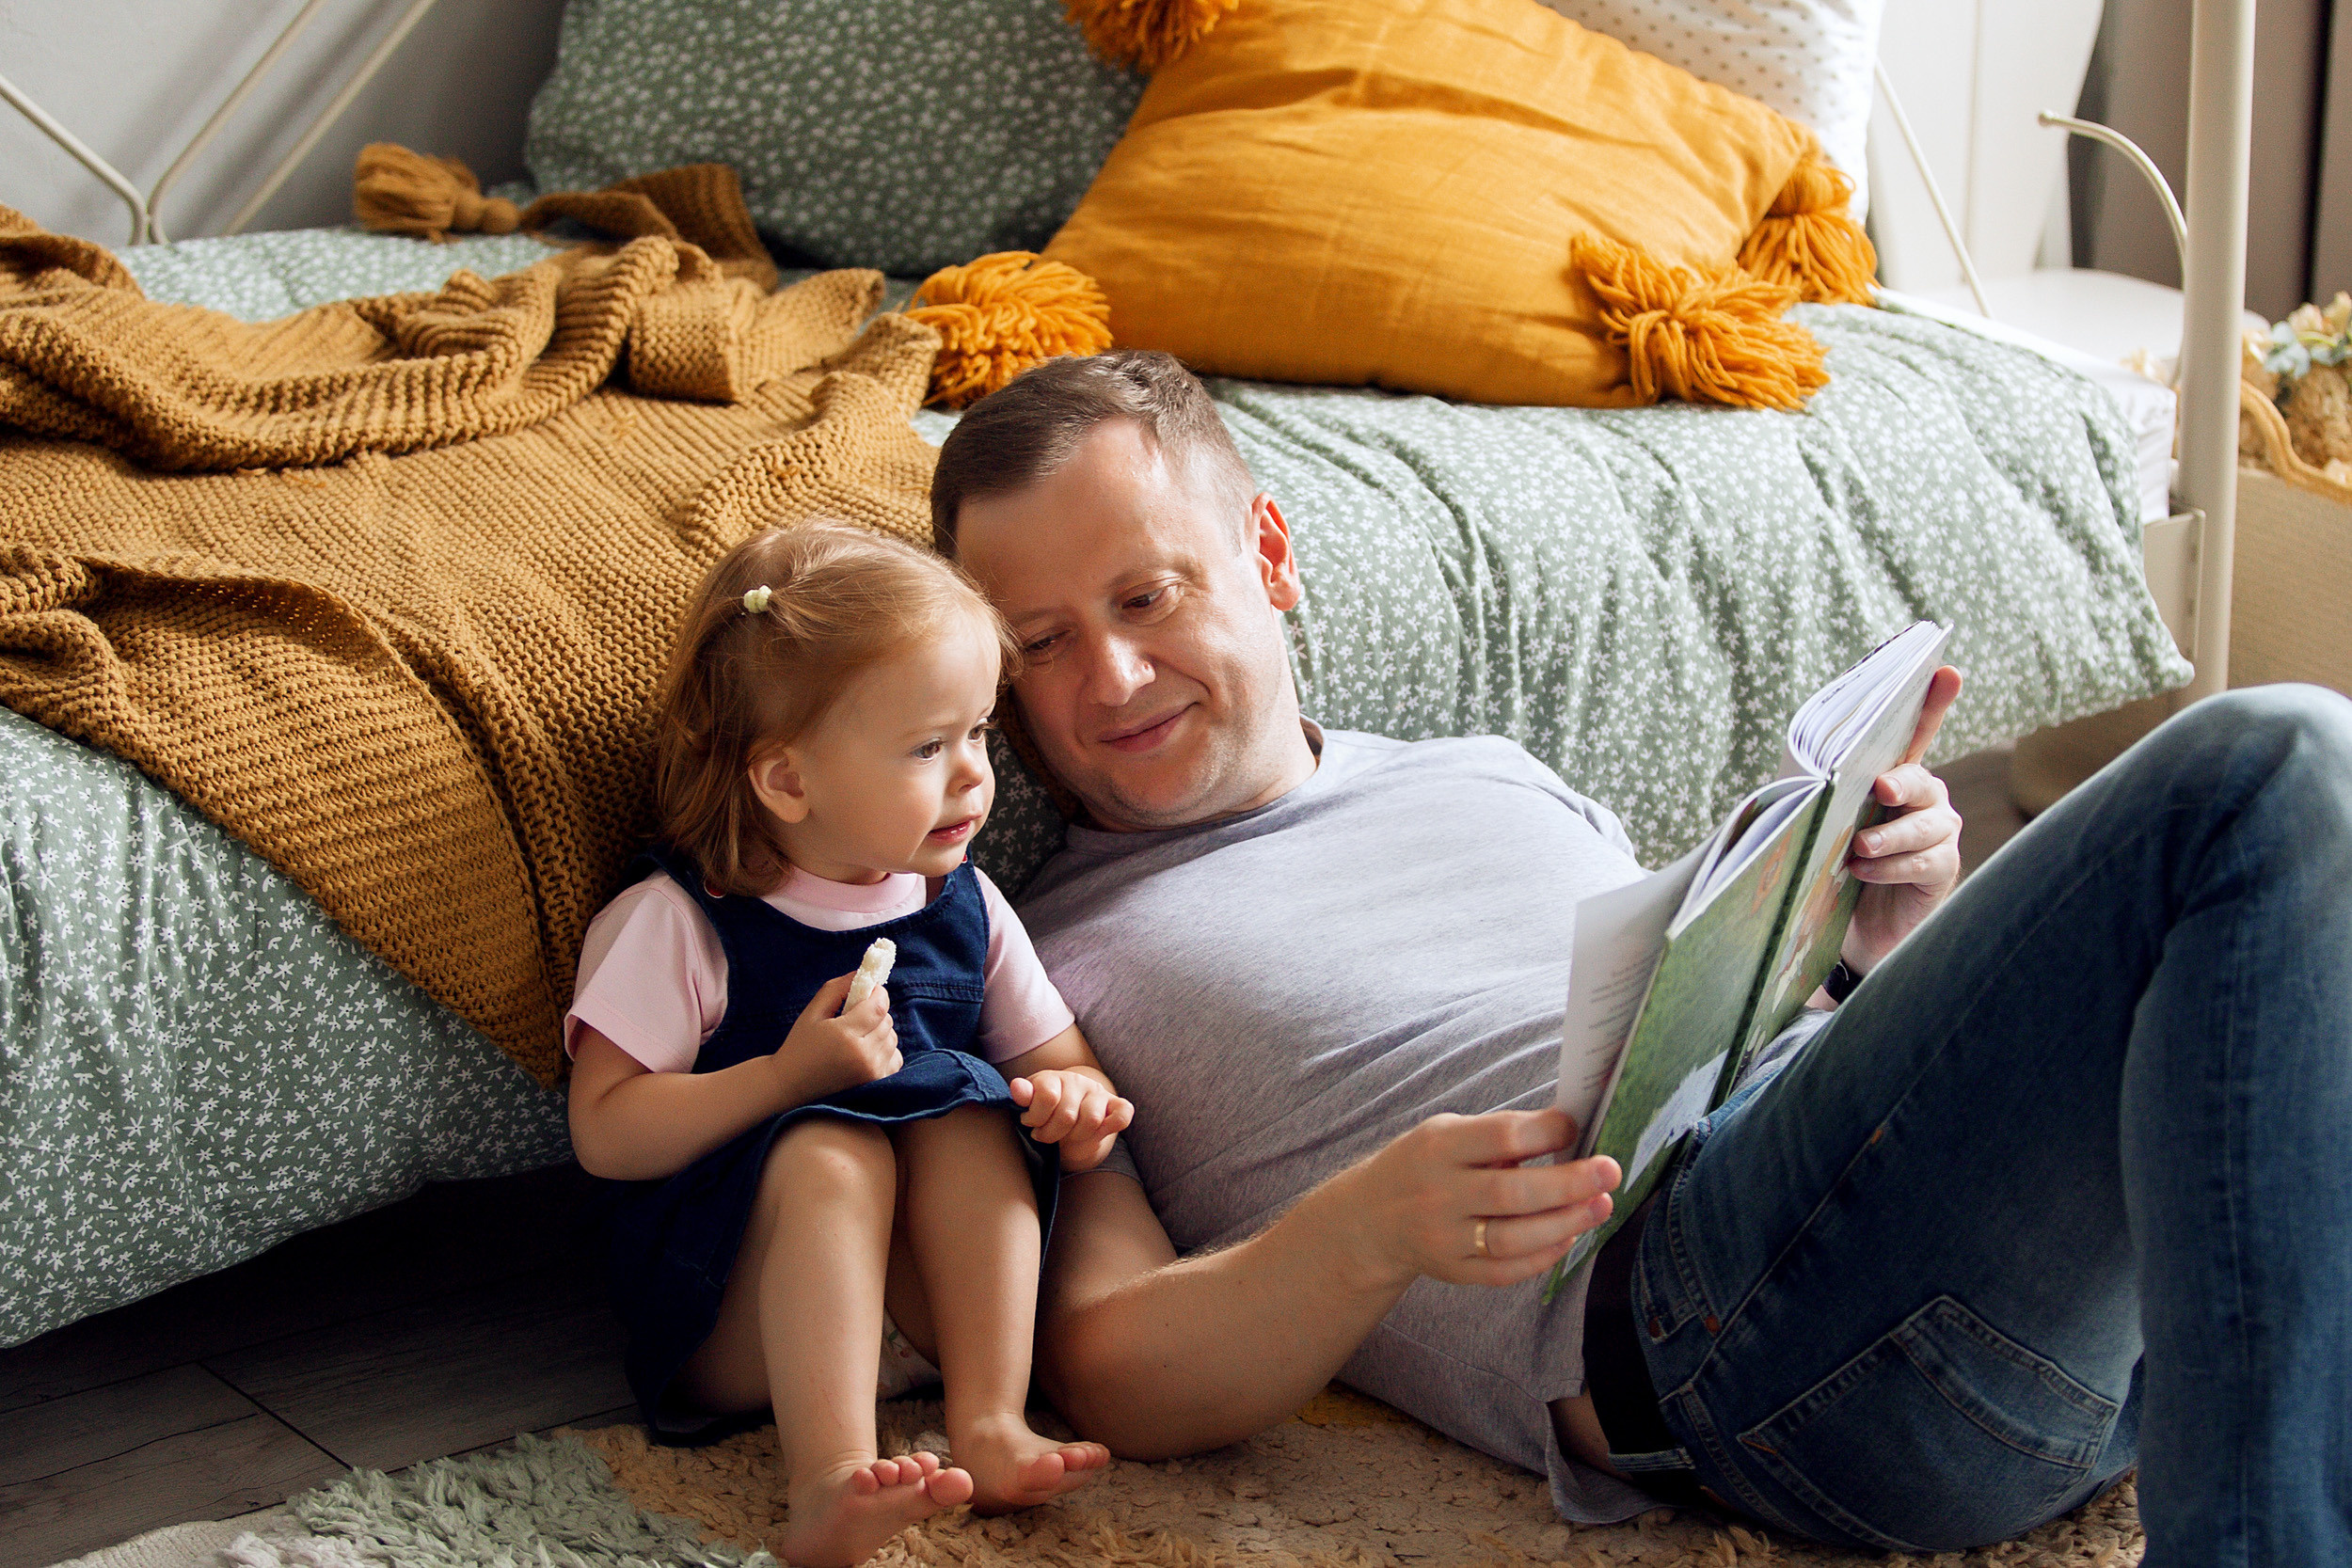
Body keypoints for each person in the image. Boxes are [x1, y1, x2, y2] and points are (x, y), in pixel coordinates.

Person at [932, 351, 2352, 1567]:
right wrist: (1360, 1232)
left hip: (2054, 1338)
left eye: (1146, 597)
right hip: (1735, 1337)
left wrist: (1879, 945)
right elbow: (1104, 1356)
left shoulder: (1487, 769)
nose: (1109, 678)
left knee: (2284, 925)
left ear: (1269, 553)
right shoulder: (1054, 962)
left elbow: (1715, 1037)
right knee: (2274, 761)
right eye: (1041, 643)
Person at [564, 524, 1132, 1567]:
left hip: (921, 1313)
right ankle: (827, 1476)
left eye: (978, 732)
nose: (973, 777)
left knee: (967, 1107)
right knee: (831, 1146)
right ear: (787, 780)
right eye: (927, 747)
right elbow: (604, 1130)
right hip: (735, 1321)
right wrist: (784, 1077)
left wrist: (1080, 1109)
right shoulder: (680, 921)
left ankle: (991, 1418)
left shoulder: (965, 902)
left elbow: (1061, 1061)